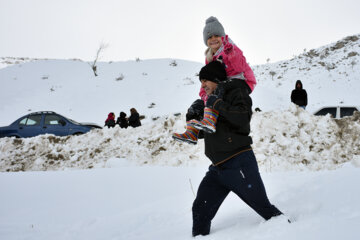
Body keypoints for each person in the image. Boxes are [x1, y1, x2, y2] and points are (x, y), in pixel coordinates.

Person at [191, 61, 288, 237]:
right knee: (200, 209)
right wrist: (193, 117)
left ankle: (296, 232)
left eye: (205, 80)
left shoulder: (236, 90)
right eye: (201, 81)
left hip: (239, 163)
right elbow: (204, 134)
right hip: (217, 168)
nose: (202, 85)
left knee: (263, 207)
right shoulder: (210, 100)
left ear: (216, 79)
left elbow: (242, 119)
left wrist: (217, 104)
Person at [173, 16, 256, 144]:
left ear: (222, 36)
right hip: (225, 82)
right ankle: (192, 132)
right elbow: (209, 75)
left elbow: (240, 67)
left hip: (242, 80)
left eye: (216, 35)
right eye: (209, 37)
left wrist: (231, 53)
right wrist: (203, 95)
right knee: (198, 104)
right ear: (206, 41)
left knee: (220, 88)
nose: (213, 39)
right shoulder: (209, 56)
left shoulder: (230, 47)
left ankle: (210, 120)